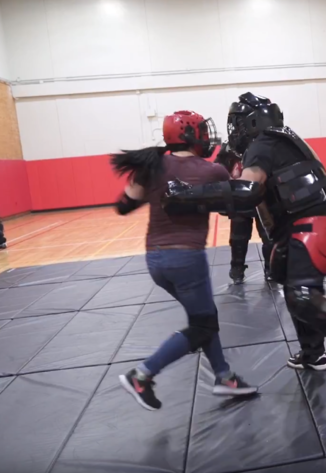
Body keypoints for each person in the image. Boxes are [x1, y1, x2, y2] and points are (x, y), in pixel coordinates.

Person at [162, 93, 326, 385]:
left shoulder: (262, 144)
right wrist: (196, 200)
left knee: (303, 295)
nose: (234, 131)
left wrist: (187, 195)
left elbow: (247, 192)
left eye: (237, 124)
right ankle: (313, 354)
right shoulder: (281, 140)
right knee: (293, 286)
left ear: (250, 122)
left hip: (314, 223)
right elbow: (245, 202)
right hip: (301, 224)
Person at [110, 109, 258, 411]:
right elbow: (237, 203)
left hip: (155, 261)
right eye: (201, 131)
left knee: (203, 318)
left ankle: (224, 377)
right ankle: (142, 374)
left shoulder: (151, 166)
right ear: (190, 135)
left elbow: (123, 205)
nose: (206, 136)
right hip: (187, 260)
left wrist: (158, 187)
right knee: (202, 326)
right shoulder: (211, 171)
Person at [214, 142, 275, 283]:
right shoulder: (230, 147)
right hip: (240, 197)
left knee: (269, 235)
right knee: (238, 237)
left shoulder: (264, 144)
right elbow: (218, 166)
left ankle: (270, 268)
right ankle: (237, 268)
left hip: (262, 197)